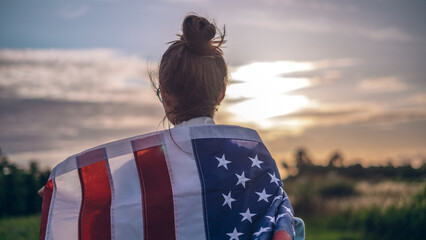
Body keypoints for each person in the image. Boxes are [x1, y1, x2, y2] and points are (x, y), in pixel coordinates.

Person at [39, 14, 304, 240]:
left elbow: (103, 224)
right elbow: (280, 223)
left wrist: (67, 197)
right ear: (222, 92)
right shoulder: (253, 161)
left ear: (164, 94)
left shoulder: (134, 173)